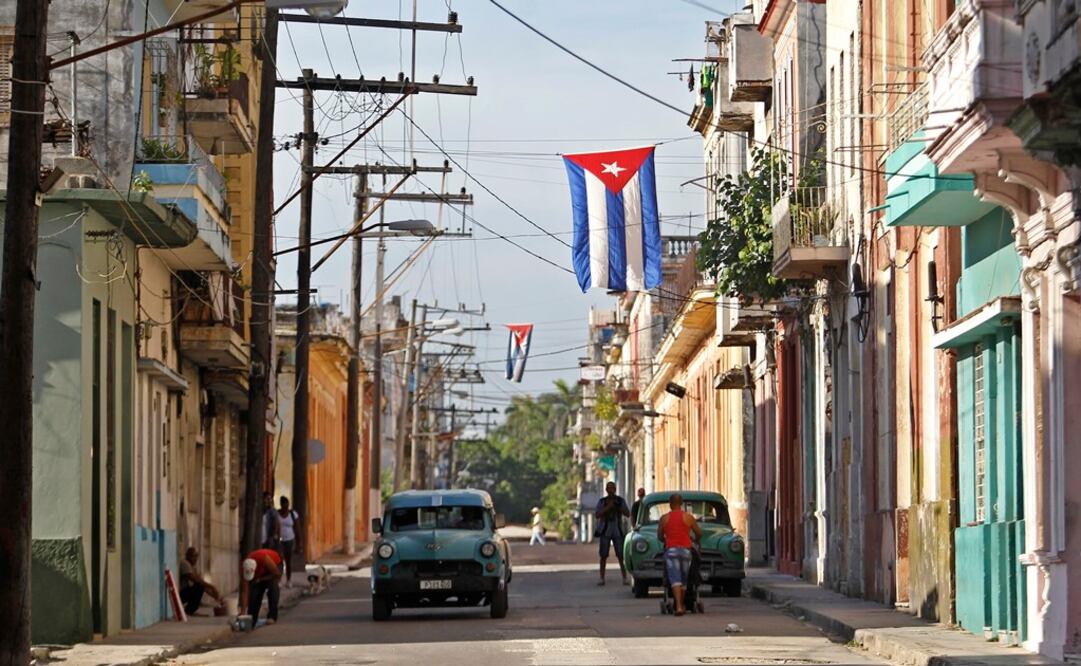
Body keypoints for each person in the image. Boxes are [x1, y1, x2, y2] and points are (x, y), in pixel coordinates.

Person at [658, 493, 703, 616]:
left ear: (670, 504)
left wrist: (667, 540)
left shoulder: (664, 518)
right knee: (683, 580)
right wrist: (694, 540)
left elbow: (659, 536)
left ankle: (678, 606)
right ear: (681, 504)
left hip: (671, 551)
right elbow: (699, 533)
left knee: (674, 579)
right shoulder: (688, 517)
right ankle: (681, 605)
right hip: (686, 551)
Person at [594, 481, 630, 586]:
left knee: (620, 555)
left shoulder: (620, 501)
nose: (610, 490)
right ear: (606, 490)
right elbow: (597, 514)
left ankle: (624, 577)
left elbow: (627, 513)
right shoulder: (602, 502)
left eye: (612, 488)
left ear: (615, 489)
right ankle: (602, 578)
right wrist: (608, 508)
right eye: (608, 488)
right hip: (605, 532)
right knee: (603, 556)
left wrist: (618, 507)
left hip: (617, 532)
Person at [243, 547, 283, 626]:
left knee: (273, 588)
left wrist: (261, 580)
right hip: (260, 575)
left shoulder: (263, 558)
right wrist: (242, 612)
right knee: (254, 593)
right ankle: (252, 619)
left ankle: (272, 616)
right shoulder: (245, 566)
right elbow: (244, 591)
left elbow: (277, 574)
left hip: (274, 568)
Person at [178, 546, 221, 616]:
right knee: (199, 586)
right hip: (182, 594)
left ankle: (190, 610)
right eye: (193, 556)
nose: (196, 559)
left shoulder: (192, 566)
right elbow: (195, 580)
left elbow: (201, 582)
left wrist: (214, 596)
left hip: (187, 592)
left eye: (196, 556)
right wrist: (212, 587)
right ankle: (189, 610)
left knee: (200, 586)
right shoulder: (184, 564)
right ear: (188, 556)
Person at [277, 496, 300, 586]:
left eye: (287, 505)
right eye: (283, 505)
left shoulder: (293, 514)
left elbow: (297, 528)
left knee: (288, 560)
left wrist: (299, 543)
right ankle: (279, 579)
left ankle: (289, 580)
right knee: (280, 560)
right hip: (280, 541)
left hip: (290, 540)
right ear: (281, 505)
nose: (285, 507)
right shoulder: (277, 514)